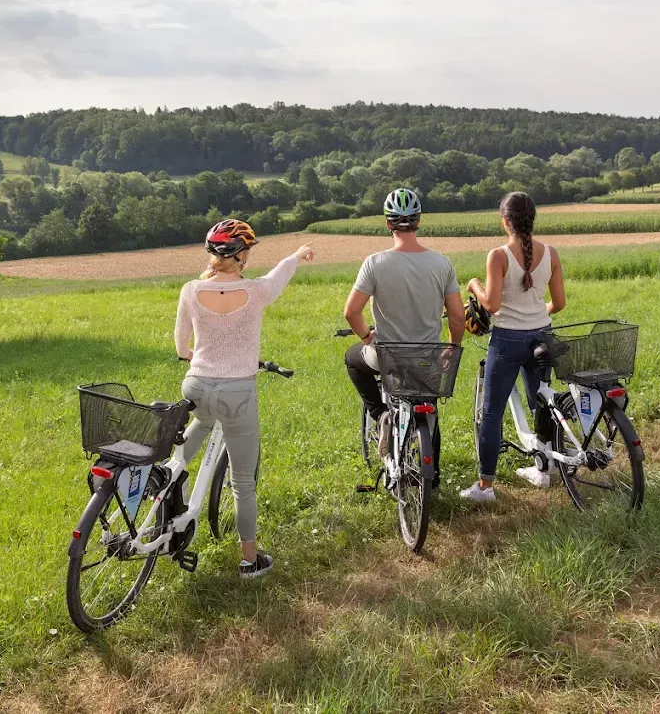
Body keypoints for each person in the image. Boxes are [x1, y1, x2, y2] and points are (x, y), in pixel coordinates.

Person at [174, 219, 315, 578]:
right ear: (243, 256)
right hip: (237, 392)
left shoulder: (190, 289)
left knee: (201, 422)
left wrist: (200, 356)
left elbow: (181, 347)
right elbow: (280, 274)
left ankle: (166, 476)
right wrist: (297, 255)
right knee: (243, 483)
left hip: (196, 385)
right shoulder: (256, 292)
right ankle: (249, 560)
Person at [343, 188, 465, 479]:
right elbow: (458, 316)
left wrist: (366, 338)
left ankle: (381, 415)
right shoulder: (441, 264)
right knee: (429, 411)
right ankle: (431, 476)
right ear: (419, 220)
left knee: (352, 359)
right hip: (427, 357)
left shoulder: (374, 263)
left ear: (388, 223)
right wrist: (452, 345)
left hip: (388, 356)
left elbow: (351, 312)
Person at [459, 191, 566, 502]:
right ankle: (544, 470)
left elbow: (491, 305)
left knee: (491, 412)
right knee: (542, 403)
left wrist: (473, 285)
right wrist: (536, 316)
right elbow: (558, 303)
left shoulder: (499, 256)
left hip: (507, 341)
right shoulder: (552, 253)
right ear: (532, 219)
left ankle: (484, 487)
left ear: (504, 221)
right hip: (542, 336)